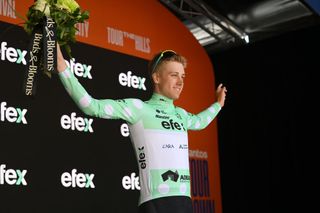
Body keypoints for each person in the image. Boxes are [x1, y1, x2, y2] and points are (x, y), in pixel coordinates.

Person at [56, 45, 227, 213]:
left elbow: (200, 121)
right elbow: (91, 106)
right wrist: (60, 64)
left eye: (182, 76)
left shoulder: (181, 114)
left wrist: (218, 104)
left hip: (185, 201)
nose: (181, 82)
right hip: (155, 202)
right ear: (156, 78)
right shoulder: (138, 108)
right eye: (174, 75)